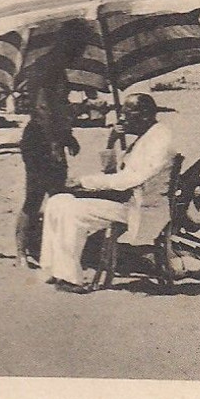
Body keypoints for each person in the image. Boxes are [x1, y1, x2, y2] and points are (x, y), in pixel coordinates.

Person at [40, 94, 176, 290]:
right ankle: (53, 269)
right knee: (57, 201)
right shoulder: (145, 136)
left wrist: (83, 182)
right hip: (127, 202)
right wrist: (112, 141)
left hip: (142, 210)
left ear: (145, 115)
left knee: (72, 211)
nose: (121, 119)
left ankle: (69, 278)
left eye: (127, 114)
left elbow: (128, 180)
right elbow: (113, 173)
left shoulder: (159, 139)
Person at [14, 21, 84, 270]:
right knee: (35, 196)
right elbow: (43, 109)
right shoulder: (47, 68)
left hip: (50, 138)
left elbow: (57, 110)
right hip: (40, 139)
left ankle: (43, 249)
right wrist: (56, 143)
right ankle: (23, 251)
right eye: (80, 47)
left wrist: (68, 137)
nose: (81, 53)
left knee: (56, 195)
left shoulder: (58, 69)